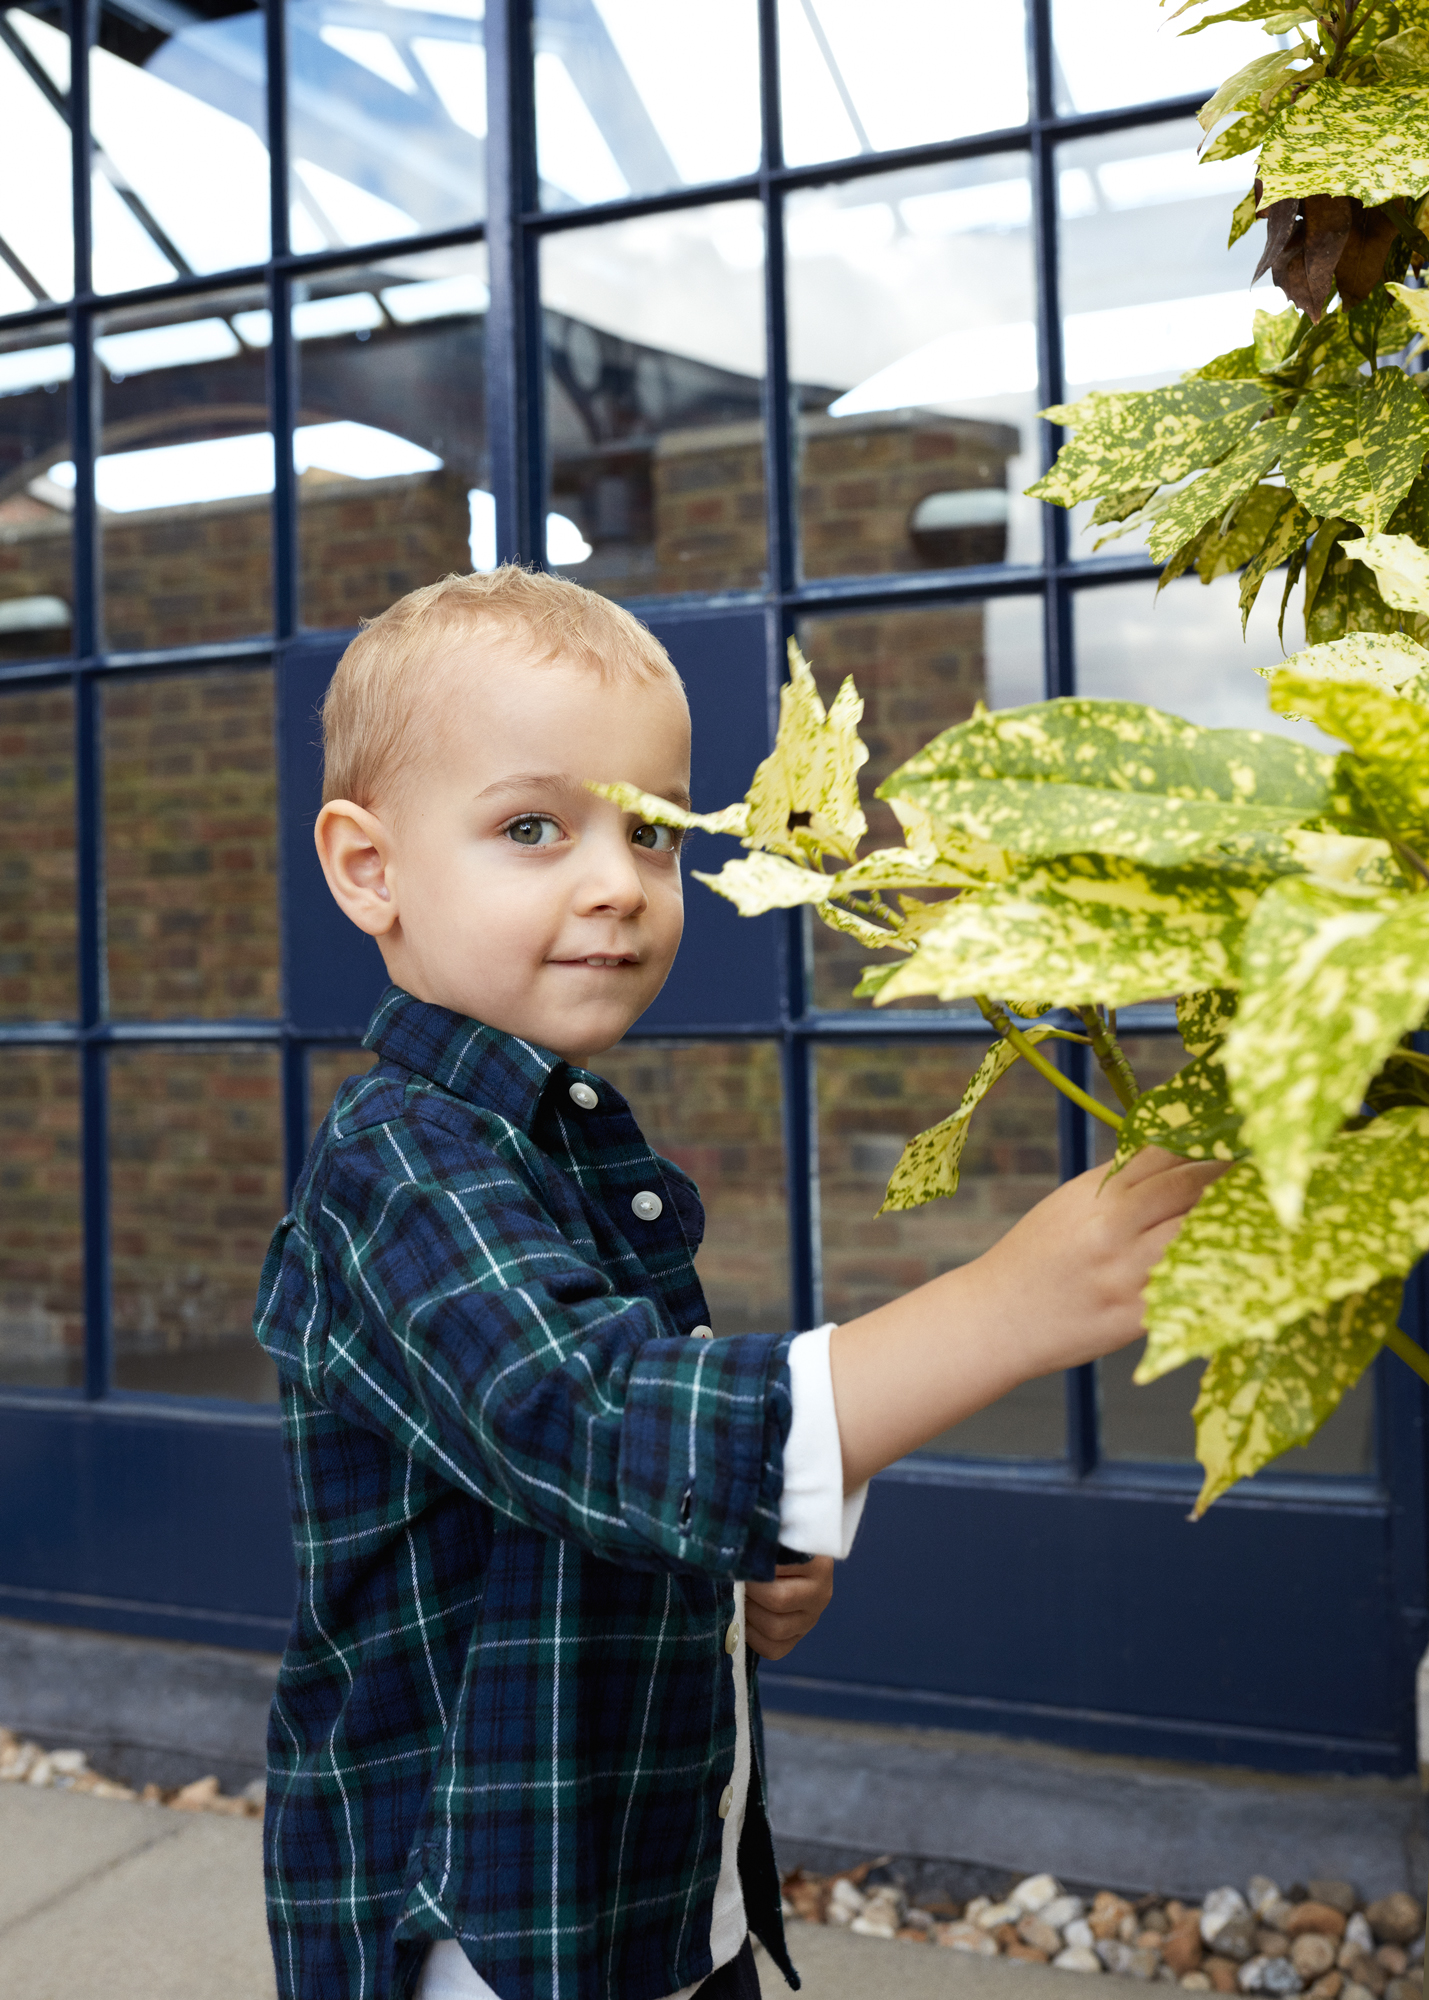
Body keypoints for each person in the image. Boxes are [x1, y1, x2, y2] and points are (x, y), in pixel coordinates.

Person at [254, 565, 1220, 2000]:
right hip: (477, 1923)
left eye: (650, 832)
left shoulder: (557, 1142)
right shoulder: (397, 1166)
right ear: (368, 868)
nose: (613, 881)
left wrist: (758, 1540)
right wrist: (1005, 1307)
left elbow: (617, 1480)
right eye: (533, 827)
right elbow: (588, 1422)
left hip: (650, 1876)